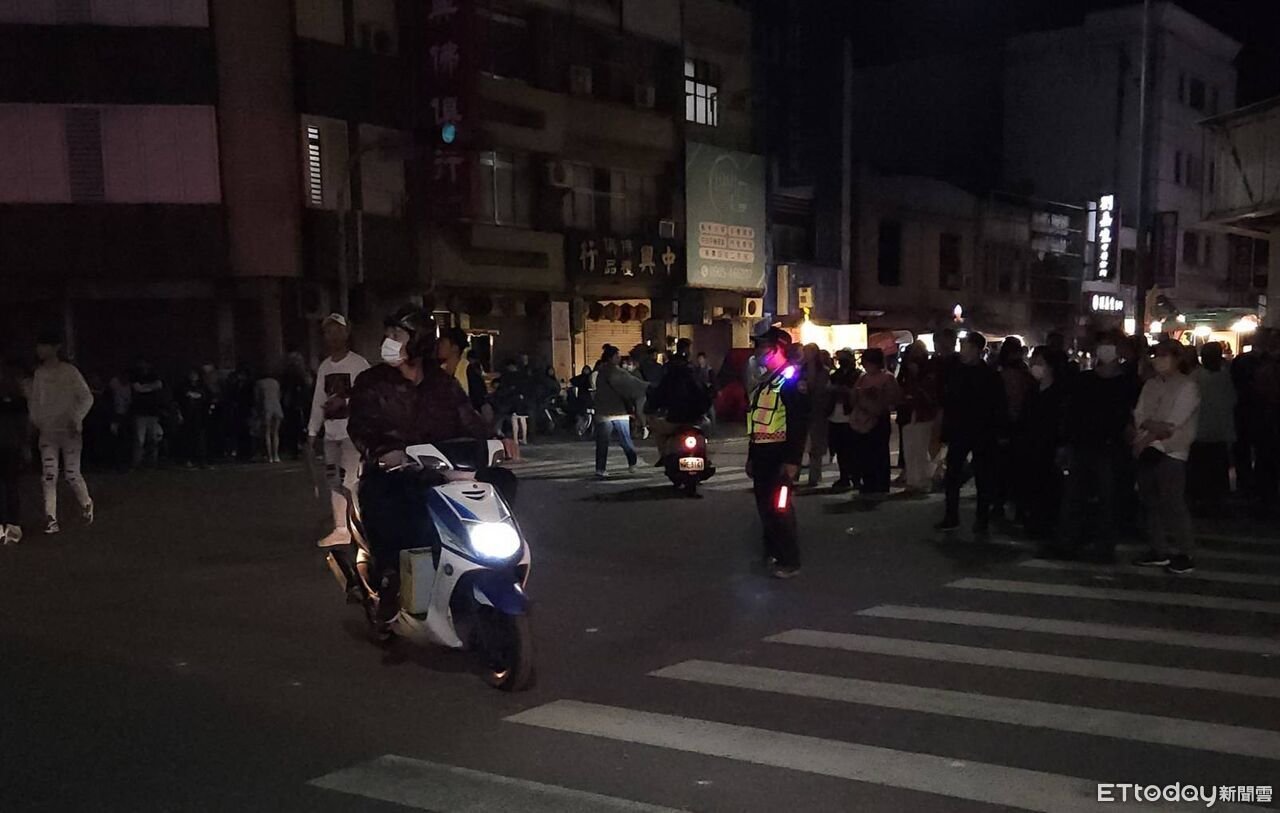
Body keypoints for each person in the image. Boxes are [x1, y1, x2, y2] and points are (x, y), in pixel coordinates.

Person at [347, 305, 502, 631]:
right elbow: (360, 424)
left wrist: (497, 442)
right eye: (388, 333)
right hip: (390, 472)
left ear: (417, 340)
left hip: (439, 471)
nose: (388, 340)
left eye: (397, 334)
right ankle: (389, 578)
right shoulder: (371, 382)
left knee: (501, 482)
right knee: (384, 500)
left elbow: (469, 419)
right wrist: (384, 452)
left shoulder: (442, 384)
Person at [1054, 332, 1141, 561]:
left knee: (1108, 499)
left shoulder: (1128, 383)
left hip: (1111, 448)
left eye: (1110, 346)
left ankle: (1104, 546)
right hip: (1082, 445)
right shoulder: (1084, 380)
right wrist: (1066, 442)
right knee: (1074, 497)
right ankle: (1069, 541)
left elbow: (1133, 416)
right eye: (1103, 346)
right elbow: (1071, 413)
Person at [1131, 340, 1201, 574]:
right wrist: (1148, 431)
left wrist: (1148, 434)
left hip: (1172, 451)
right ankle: (1158, 549)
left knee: (1173, 503)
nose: (1159, 360)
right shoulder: (1151, 384)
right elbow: (1140, 415)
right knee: (1150, 502)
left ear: (1177, 358)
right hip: (1146, 448)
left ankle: (1186, 552)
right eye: (1157, 355)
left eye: (1164, 355)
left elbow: (1173, 424)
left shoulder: (1187, 386)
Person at [746, 327, 810, 579]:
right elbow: (757, 423)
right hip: (762, 455)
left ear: (777, 349)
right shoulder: (766, 382)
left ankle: (790, 560)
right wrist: (751, 457)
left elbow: (798, 423)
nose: (758, 351)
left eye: (763, 346)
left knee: (780, 508)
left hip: (780, 456)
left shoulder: (790, 381)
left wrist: (793, 460)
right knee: (765, 508)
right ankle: (772, 552)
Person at [308, 313, 371, 548]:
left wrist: (344, 403)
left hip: (352, 434)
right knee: (334, 480)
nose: (333, 336)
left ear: (347, 332)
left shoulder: (358, 364)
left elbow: (367, 396)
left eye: (337, 330)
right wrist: (312, 431)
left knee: (351, 481)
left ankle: (359, 526)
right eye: (328, 331)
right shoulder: (325, 366)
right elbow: (318, 399)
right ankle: (341, 528)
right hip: (332, 434)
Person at [937, 332, 1004, 534]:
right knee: (953, 474)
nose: (962, 350)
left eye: (965, 346)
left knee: (983, 476)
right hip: (960, 430)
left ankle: (981, 518)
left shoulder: (989, 375)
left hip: (982, 431)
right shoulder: (956, 371)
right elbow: (948, 401)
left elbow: (998, 405)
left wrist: (998, 430)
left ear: (975, 349)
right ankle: (951, 515)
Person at [28, 331, 94, 535]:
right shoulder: (39, 374)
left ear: (55, 347)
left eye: (44, 345)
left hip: (69, 432)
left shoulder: (69, 372)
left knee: (72, 474)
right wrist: (38, 422)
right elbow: (35, 402)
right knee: (49, 475)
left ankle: (86, 503)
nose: (40, 349)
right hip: (48, 432)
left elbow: (86, 397)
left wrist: (76, 418)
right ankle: (51, 518)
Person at [1019, 347, 1067, 537]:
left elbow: (1061, 422)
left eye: (1040, 363)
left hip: (1050, 447)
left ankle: (1047, 523)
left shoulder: (1059, 393)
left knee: (1049, 485)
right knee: (1032, 484)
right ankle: (1034, 521)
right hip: (1031, 445)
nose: (1035, 367)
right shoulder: (1032, 391)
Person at [1188, 341, 1235, 514]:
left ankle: (1212, 500)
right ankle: (1207, 500)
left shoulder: (1221, 377)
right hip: (1204, 431)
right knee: (1207, 468)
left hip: (1212, 431)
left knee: (1210, 468)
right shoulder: (1222, 376)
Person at [848, 348, 901, 496]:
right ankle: (868, 482)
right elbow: (853, 396)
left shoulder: (887, 378)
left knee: (879, 452)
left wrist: (876, 397)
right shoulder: (863, 378)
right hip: (863, 418)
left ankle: (881, 483)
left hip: (878, 418)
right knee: (865, 453)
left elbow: (894, 398)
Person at [591, 345, 648, 477]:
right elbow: (631, 384)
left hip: (604, 411)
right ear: (610, 358)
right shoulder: (614, 372)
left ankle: (600, 468)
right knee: (625, 440)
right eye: (617, 356)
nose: (619, 358)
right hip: (618, 411)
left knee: (603, 442)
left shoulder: (602, 371)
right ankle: (632, 463)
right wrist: (647, 387)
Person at [646, 351, 712, 461]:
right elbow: (706, 397)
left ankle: (664, 456)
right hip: (695, 420)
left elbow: (657, 398)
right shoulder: (695, 378)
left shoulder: (668, 380)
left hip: (674, 421)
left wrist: (650, 409)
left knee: (659, 432)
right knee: (706, 428)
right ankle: (705, 456)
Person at [898, 342, 939, 492]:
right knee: (911, 447)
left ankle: (920, 480)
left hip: (922, 413)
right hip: (910, 412)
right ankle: (914, 479)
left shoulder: (926, 372)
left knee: (920, 447)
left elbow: (927, 392)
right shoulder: (907, 372)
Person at [0, 358, 29, 544]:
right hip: (12, 445)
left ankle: (7, 526)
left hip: (9, 445)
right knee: (11, 487)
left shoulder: (18, 401)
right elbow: (23, 426)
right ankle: (13, 525)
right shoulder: (19, 400)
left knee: (9, 487)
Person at [827, 349, 860, 491]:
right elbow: (829, 391)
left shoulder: (857, 375)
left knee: (853, 450)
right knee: (840, 449)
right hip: (835, 414)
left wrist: (844, 391)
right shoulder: (835, 375)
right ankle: (844, 477)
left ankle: (856, 477)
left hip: (850, 415)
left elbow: (856, 393)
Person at [800, 344, 831, 487]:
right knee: (799, 444)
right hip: (803, 410)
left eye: (808, 352)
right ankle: (794, 476)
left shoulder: (823, 371)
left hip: (817, 411)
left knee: (816, 446)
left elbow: (823, 391)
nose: (806, 354)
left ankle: (814, 476)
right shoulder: (801, 370)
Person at [437, 326, 486, 412]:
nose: (439, 346)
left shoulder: (470, 373)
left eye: (443, 343)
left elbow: (482, 404)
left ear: (455, 348)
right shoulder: (438, 372)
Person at [130, 362, 165, 467]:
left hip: (152, 413)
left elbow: (159, 385)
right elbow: (138, 388)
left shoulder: (154, 375)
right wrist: (151, 387)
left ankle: (151, 461)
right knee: (139, 439)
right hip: (140, 413)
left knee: (153, 439)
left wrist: (144, 387)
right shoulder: (135, 376)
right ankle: (137, 462)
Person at [176, 369, 212, 468]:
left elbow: (208, 399)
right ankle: (188, 459)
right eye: (191, 374)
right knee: (188, 438)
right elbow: (179, 401)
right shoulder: (183, 387)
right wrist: (179, 414)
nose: (193, 376)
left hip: (200, 417)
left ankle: (202, 460)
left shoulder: (203, 387)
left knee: (201, 439)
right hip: (187, 416)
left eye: (195, 374)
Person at [256, 370, 285, 463]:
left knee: (267, 433)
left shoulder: (259, 383)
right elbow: (279, 395)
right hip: (277, 406)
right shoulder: (275, 382)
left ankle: (270, 456)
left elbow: (257, 398)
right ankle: (276, 455)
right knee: (276, 432)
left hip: (266, 407)